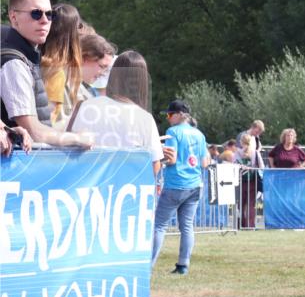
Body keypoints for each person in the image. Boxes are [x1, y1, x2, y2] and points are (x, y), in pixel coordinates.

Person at [1, 0, 93, 149]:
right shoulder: (14, 63)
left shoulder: (27, 57)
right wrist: (78, 139)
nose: (45, 20)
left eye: (50, 15)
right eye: (36, 14)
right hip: (17, 162)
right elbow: (34, 132)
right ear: (14, 17)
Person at [67, 50, 163, 179]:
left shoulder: (85, 106)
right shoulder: (145, 119)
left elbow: (67, 149)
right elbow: (154, 167)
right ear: (143, 81)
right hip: (126, 187)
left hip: (86, 185)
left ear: (113, 75)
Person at [152, 100, 210, 275]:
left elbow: (171, 159)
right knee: (187, 226)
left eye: (170, 115)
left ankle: (147, 266)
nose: (168, 118)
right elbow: (205, 163)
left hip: (176, 184)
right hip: (195, 185)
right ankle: (183, 265)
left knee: (159, 226)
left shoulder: (173, 132)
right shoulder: (199, 134)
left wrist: (157, 157)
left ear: (178, 115)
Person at [40, 4, 85, 128]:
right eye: (79, 26)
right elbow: (46, 120)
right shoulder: (55, 72)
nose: (81, 32)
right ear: (72, 34)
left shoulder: (34, 61)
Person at [236, 120, 265, 228]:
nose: (258, 134)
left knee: (244, 203)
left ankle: (244, 225)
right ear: (253, 127)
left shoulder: (256, 138)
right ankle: (248, 225)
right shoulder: (242, 136)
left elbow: (235, 162)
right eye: (258, 131)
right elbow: (261, 165)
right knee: (248, 203)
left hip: (247, 178)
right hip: (246, 178)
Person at [77, 32, 117, 103]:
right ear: (85, 58)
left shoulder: (82, 91)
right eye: (102, 66)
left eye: (106, 69)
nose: (103, 73)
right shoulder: (63, 84)